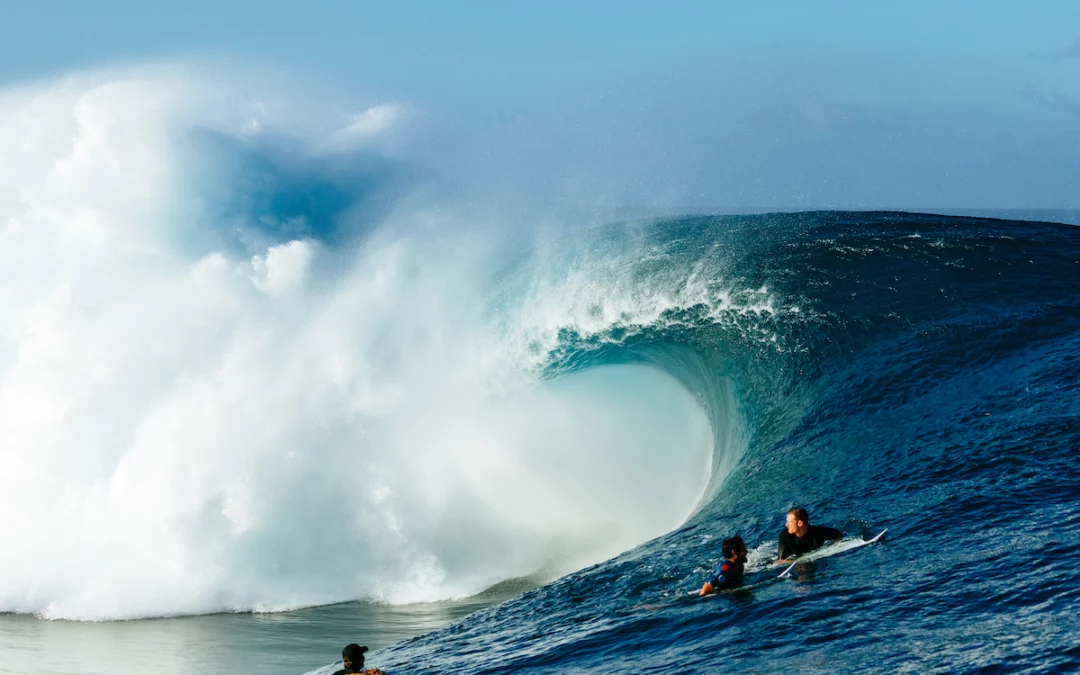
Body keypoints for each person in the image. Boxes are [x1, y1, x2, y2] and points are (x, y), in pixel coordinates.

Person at [776, 507, 842, 562]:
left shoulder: (818, 532)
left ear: (800, 523)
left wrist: (834, 546)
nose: (786, 525)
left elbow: (837, 534)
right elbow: (780, 561)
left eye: (789, 522)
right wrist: (798, 561)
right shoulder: (785, 535)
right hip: (794, 559)